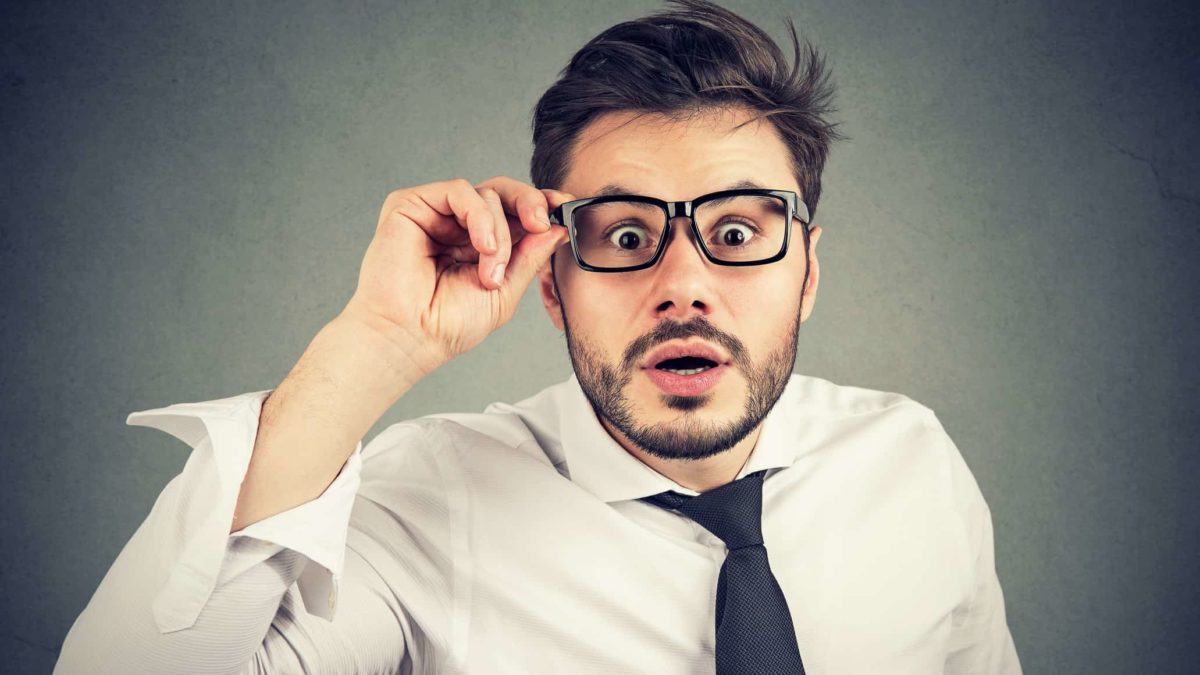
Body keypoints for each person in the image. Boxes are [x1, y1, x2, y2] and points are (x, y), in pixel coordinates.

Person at [55, 1, 1022, 673]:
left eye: (736, 232)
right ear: (552, 288)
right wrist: (377, 342)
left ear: (806, 273)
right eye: (627, 236)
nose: (683, 286)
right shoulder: (435, 503)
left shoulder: (914, 463)